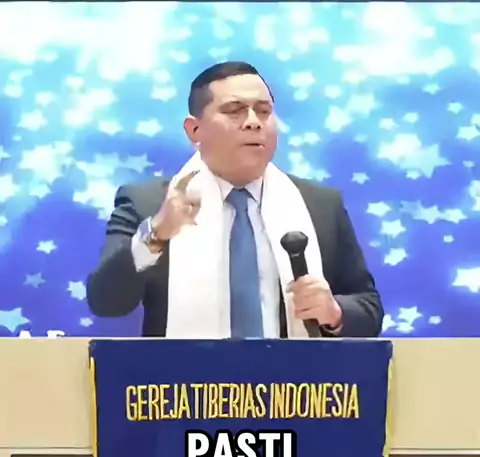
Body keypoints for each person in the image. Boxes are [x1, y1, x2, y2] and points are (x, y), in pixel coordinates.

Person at [86, 61, 384, 339]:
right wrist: (156, 235)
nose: (253, 122)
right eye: (234, 110)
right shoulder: (148, 204)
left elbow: (369, 309)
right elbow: (105, 302)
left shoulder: (320, 205)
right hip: (185, 378)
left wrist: (334, 312)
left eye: (263, 111)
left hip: (295, 378)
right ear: (194, 129)